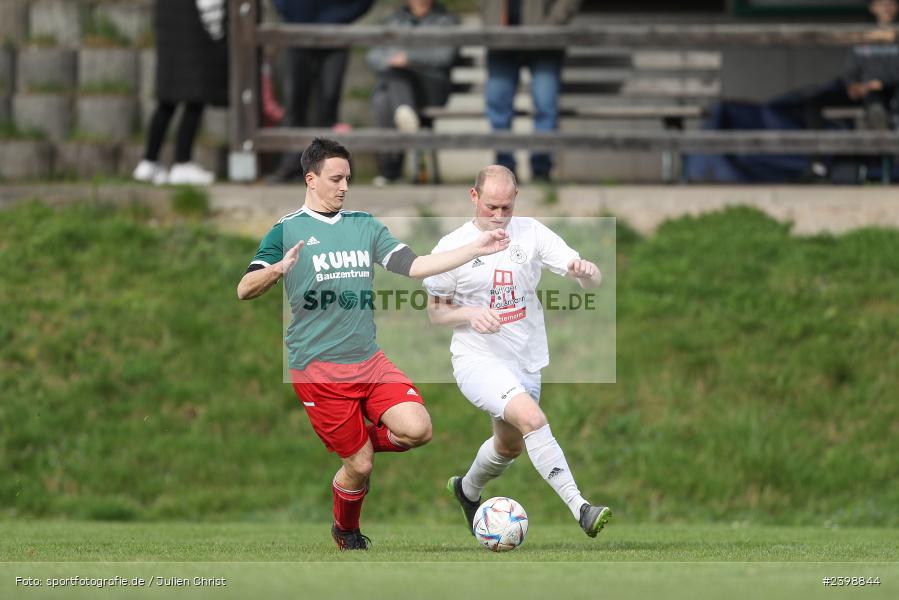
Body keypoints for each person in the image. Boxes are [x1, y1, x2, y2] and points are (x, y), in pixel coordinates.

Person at [237, 138, 510, 550]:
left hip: (368, 362)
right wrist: (276, 269)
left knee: (418, 429)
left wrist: (475, 247)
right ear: (311, 179)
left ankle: (354, 442)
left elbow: (415, 265)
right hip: (318, 371)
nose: (344, 186)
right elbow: (244, 288)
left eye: (348, 178)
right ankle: (345, 531)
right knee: (360, 465)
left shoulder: (364, 225)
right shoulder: (286, 230)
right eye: (335, 178)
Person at [422, 165, 611, 538]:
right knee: (533, 420)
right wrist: (470, 313)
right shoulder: (452, 246)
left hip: (525, 361)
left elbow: (591, 281)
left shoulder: (532, 233)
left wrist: (587, 272)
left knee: (508, 447)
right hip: (477, 361)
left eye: (506, 208)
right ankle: (581, 508)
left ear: (516, 200)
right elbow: (436, 311)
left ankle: (467, 490)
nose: (499, 216)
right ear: (473, 197)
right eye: (491, 207)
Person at [267, 0, 374, 183]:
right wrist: (292, 14)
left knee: (328, 105)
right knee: (294, 103)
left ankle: (329, 168)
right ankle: (292, 164)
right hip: (296, 34)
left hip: (334, 35)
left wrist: (339, 18)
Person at [480, 0, 581, 183]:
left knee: (545, 105)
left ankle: (541, 170)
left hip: (545, 42)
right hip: (499, 38)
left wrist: (550, 26)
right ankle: (504, 171)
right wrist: (490, 21)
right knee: (498, 107)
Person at [133, 0, 227, 186]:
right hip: (194, 33)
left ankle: (149, 161)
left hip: (169, 33)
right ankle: (182, 162)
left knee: (167, 101)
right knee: (195, 98)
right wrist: (218, 32)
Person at [366, 0, 458, 185]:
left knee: (386, 92)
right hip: (398, 82)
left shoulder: (446, 21)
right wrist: (391, 60)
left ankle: (390, 171)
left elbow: (445, 55)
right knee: (384, 97)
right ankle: (404, 111)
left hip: (430, 88)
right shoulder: (392, 20)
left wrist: (410, 58)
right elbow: (373, 56)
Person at [843, 0, 899, 129]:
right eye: (881, 3)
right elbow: (850, 81)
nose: (886, 8)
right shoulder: (862, 38)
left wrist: (884, 83)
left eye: (891, 3)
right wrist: (861, 87)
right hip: (872, 94)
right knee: (876, 110)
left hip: (896, 91)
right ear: (873, 7)